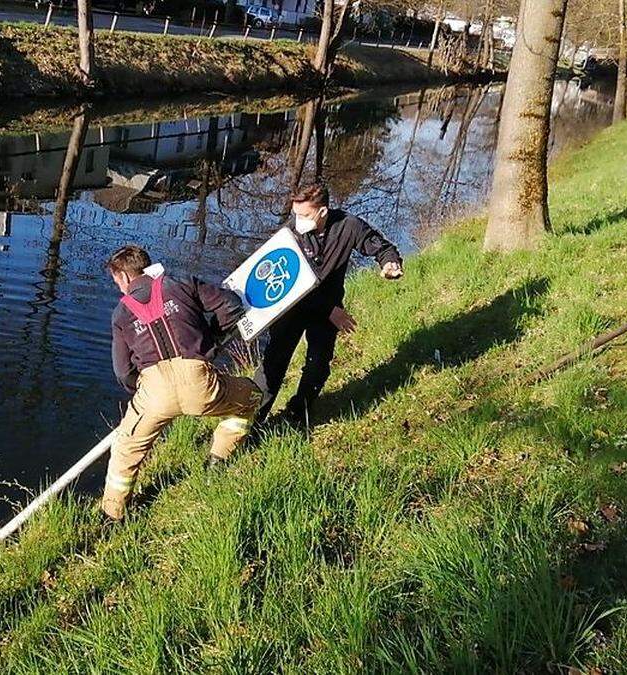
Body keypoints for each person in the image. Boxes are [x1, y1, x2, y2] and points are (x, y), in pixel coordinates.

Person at [102, 245, 261, 520]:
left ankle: (112, 516)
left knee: (126, 450)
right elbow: (230, 306)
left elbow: (123, 371)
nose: (119, 288)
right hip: (199, 381)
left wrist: (140, 390)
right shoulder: (182, 283)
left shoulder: (120, 314)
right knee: (251, 397)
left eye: (117, 281)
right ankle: (219, 460)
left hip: (153, 391)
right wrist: (212, 340)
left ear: (125, 278)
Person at [253, 182, 403, 425]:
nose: (297, 219)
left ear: (322, 211)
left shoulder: (348, 225)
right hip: (294, 307)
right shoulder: (289, 234)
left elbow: (379, 245)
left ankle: (298, 411)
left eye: (304, 215)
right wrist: (330, 310)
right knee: (272, 366)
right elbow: (294, 284)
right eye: (295, 214)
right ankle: (252, 420)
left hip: (328, 309)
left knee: (318, 366)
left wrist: (389, 262)